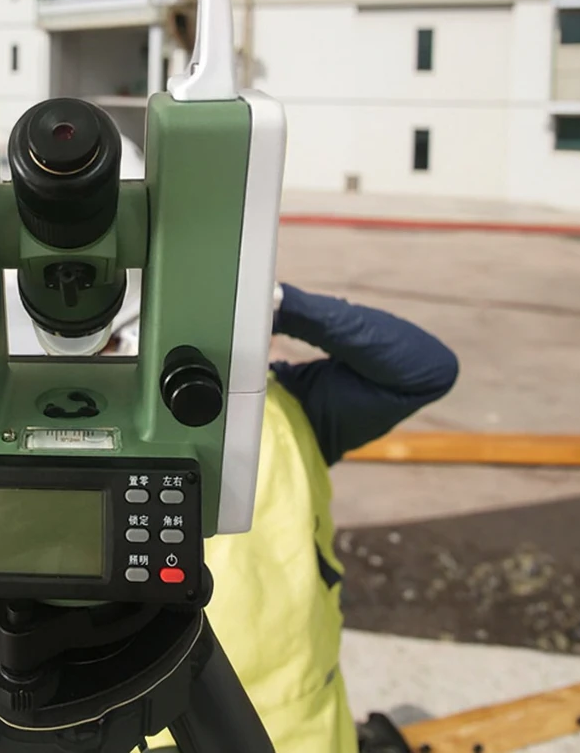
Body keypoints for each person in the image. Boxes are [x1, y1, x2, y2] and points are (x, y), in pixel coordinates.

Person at [147, 281, 459, 753]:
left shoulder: (292, 404)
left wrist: (274, 301)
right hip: (148, 733)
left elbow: (425, 369)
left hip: (301, 732)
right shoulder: (67, 425)